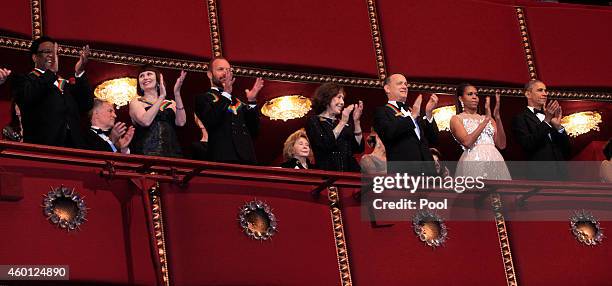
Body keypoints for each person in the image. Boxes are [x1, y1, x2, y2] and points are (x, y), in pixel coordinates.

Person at [12, 36, 93, 148]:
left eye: (55, 52)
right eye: (47, 51)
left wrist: (79, 73)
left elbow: (86, 104)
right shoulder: (24, 80)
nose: (52, 55)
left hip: (74, 147)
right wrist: (50, 73)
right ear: (35, 57)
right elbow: (29, 96)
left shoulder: (64, 83)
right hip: (44, 148)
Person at [194, 56, 264, 165]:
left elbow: (254, 131)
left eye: (228, 70)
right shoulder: (203, 98)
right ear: (209, 74)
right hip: (222, 159)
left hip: (247, 161)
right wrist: (226, 93)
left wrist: (251, 101)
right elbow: (211, 120)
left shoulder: (238, 101)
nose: (225, 73)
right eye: (220, 69)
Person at [373, 73, 439, 174]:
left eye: (406, 84)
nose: (404, 86)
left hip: (428, 173)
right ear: (387, 88)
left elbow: (433, 139)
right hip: (404, 173)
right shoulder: (382, 112)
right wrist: (412, 117)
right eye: (400, 83)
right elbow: (389, 132)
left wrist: (428, 113)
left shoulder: (412, 111)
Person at [512, 80, 570, 180]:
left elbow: (567, 148)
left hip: (560, 173)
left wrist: (559, 127)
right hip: (539, 173)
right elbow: (528, 144)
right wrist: (546, 121)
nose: (545, 94)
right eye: (540, 90)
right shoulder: (521, 118)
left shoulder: (551, 118)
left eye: (545, 91)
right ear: (528, 94)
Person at [450, 83, 510, 180]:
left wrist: (497, 118)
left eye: (476, 94)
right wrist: (485, 122)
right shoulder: (457, 119)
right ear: (461, 99)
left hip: (494, 159)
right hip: (473, 160)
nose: (474, 97)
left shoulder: (489, 118)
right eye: (470, 94)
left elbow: (502, 144)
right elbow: (467, 142)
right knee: (477, 193)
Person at [129, 66, 186, 158]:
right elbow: (145, 121)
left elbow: (181, 122)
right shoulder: (136, 102)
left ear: (158, 80)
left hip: (171, 152)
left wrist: (177, 94)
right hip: (146, 153)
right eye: (141, 76)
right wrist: (161, 97)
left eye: (149, 74)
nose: (145, 77)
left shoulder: (170, 103)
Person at [306, 83, 364, 172]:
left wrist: (356, 121)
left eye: (343, 98)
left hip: (350, 173)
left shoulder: (341, 122)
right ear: (327, 98)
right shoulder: (314, 121)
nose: (342, 102)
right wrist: (343, 122)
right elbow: (326, 143)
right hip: (328, 174)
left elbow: (358, 148)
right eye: (339, 97)